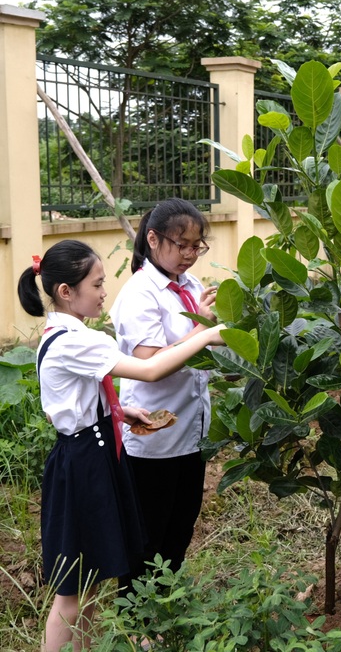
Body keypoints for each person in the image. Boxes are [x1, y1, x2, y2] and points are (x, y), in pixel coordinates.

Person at [17, 240, 224, 652]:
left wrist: (117, 411)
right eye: (97, 284)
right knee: (73, 592)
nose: (104, 291)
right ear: (65, 292)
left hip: (89, 457)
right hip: (84, 467)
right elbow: (149, 369)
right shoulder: (76, 341)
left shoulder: (66, 333)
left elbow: (70, 401)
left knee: (89, 582)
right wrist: (206, 333)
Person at [110, 198, 218, 585]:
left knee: (179, 530)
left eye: (197, 245)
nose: (191, 254)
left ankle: (164, 617)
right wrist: (201, 332)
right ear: (153, 239)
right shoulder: (140, 294)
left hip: (191, 433)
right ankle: (135, 623)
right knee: (147, 537)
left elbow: (203, 347)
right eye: (182, 244)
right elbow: (150, 363)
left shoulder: (189, 285)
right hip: (153, 439)